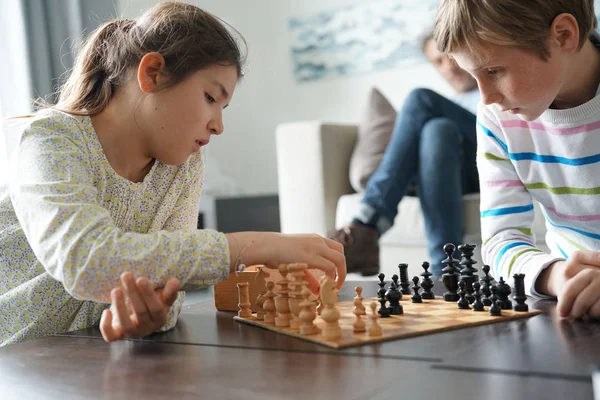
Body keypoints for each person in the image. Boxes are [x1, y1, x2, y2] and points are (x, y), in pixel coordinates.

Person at [0, 2, 346, 347]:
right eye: (211, 97)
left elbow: (172, 284)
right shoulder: (53, 138)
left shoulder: (183, 166)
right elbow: (86, 260)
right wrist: (247, 247)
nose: (218, 125)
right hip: (16, 354)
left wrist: (150, 316)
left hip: (84, 354)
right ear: (152, 72)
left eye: (223, 108)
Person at [433, 0, 600, 319]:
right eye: (473, 76)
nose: (486, 99)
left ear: (563, 36)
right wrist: (558, 276)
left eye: (494, 71)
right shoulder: (497, 118)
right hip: (574, 308)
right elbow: (500, 241)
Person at [329, 34, 480, 278]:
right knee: (437, 130)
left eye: (451, 56)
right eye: (438, 61)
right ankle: (447, 270)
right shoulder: (449, 106)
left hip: (490, 163)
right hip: (454, 175)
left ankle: (368, 223)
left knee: (420, 98)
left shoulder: (494, 90)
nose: (448, 67)